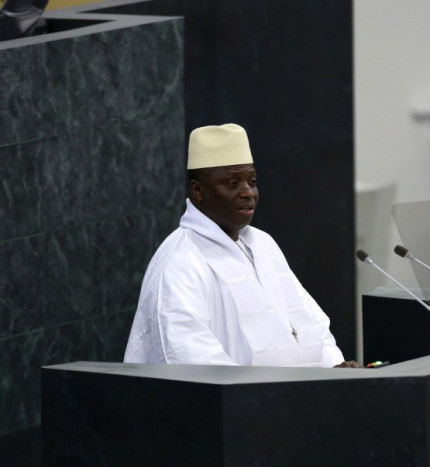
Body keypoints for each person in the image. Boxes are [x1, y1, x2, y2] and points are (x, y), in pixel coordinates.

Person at [124, 123, 361, 368]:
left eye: (252, 181)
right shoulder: (180, 260)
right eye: (232, 183)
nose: (248, 192)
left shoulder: (263, 244)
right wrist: (257, 399)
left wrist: (334, 368)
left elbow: (309, 320)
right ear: (198, 190)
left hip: (291, 395)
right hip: (240, 402)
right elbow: (188, 355)